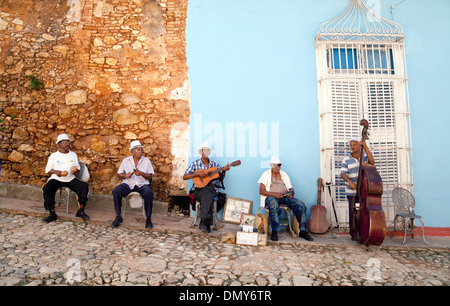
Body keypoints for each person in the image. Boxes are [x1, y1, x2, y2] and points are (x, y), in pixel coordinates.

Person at [258, 157, 313, 242]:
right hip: (271, 197)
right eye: (276, 165)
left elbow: (291, 188)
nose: (278, 167)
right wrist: (275, 195)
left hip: (284, 197)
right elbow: (261, 191)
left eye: (279, 165)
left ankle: (302, 231)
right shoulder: (266, 174)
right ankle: (274, 231)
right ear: (272, 166)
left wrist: (292, 192)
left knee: (300, 204)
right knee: (273, 204)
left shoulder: (284, 174)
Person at [183, 142, 230, 233]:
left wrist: (224, 171)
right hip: (198, 190)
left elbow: (221, 178)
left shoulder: (215, 164)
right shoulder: (195, 164)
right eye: (204, 151)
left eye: (207, 151)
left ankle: (203, 222)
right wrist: (196, 173)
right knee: (206, 191)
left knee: (208, 190)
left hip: (211, 190)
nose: (206, 152)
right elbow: (185, 176)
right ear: (201, 152)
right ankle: (206, 222)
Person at [42, 133, 90, 222]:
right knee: (47, 188)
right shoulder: (54, 155)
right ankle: (52, 213)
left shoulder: (73, 155)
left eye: (68, 142)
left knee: (84, 186)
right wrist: (59, 172)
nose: (67, 144)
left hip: (70, 179)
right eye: (65, 142)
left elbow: (77, 171)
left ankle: (81, 210)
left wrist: (75, 170)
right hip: (57, 179)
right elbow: (48, 170)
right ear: (59, 144)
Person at [112, 140, 154, 228]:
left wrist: (141, 173)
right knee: (116, 191)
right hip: (128, 184)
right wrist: (125, 175)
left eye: (141, 149)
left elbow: (150, 176)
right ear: (132, 151)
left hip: (142, 185)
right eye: (138, 150)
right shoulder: (126, 160)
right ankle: (118, 216)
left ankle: (148, 218)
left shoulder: (146, 161)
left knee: (148, 193)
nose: (140, 151)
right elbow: (119, 174)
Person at [340, 137, 375, 239]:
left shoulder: (364, 156)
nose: (352, 147)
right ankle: (354, 234)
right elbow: (343, 173)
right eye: (351, 145)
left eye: (354, 144)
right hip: (351, 190)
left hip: (364, 190)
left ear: (360, 145)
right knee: (353, 212)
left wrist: (366, 147)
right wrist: (349, 182)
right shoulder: (347, 159)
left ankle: (364, 232)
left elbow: (372, 162)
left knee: (364, 212)